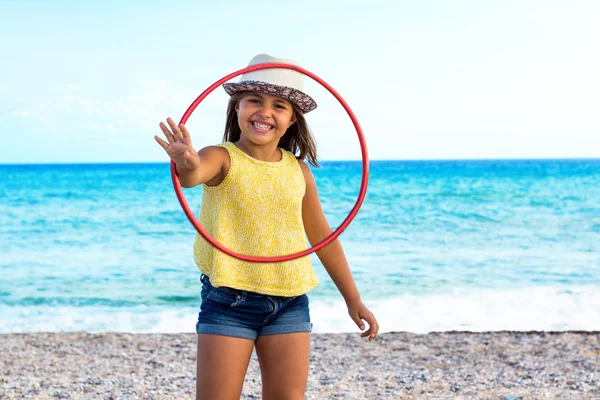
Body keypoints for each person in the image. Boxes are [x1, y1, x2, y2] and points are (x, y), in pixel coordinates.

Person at [154, 54, 379, 400]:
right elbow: (193, 176)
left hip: (289, 301)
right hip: (229, 299)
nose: (265, 112)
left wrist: (353, 298)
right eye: (254, 101)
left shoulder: (298, 171)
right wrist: (186, 162)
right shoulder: (221, 157)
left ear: (291, 120)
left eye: (279, 106)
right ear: (237, 109)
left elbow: (323, 238)